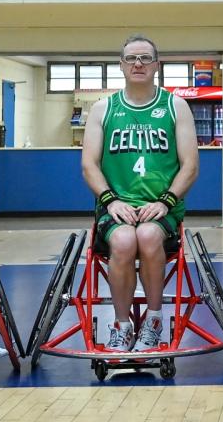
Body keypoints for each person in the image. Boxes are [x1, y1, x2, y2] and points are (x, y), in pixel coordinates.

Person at [82, 34, 198, 352]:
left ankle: (154, 320)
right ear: (121, 65)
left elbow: (190, 165)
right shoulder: (103, 109)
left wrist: (166, 201)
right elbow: (89, 165)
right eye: (132, 58)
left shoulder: (175, 106)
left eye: (146, 58)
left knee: (147, 236)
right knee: (122, 240)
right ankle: (121, 326)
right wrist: (111, 200)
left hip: (162, 207)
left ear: (157, 65)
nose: (138, 63)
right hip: (115, 206)